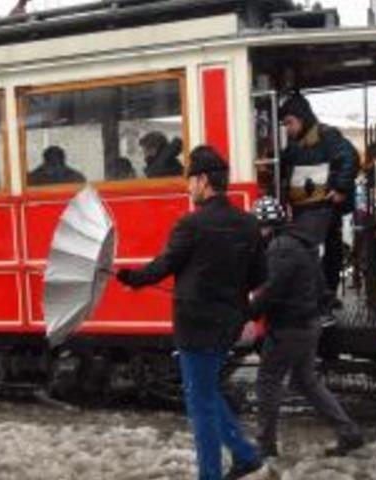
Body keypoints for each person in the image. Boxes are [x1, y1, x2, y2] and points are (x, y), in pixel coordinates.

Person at [116, 146, 267, 480]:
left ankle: (213, 473)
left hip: (196, 327)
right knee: (208, 391)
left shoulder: (191, 224)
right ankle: (245, 455)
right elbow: (259, 276)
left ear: (203, 181)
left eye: (191, 180)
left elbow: (165, 265)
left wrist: (132, 278)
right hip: (228, 323)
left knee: (200, 405)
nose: (188, 187)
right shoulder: (247, 224)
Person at [248, 196, 364, 461]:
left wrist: (251, 309)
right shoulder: (300, 243)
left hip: (289, 327)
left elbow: (273, 288)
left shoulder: (280, 247)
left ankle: (265, 446)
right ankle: (348, 432)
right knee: (305, 381)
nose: (258, 232)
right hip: (307, 324)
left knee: (267, 382)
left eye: (259, 226)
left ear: (267, 225)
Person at [278, 93, 358, 310]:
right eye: (284, 124)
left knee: (328, 254)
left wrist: (340, 189)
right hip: (304, 211)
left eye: (289, 123)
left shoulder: (327, 136)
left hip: (323, 209)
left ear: (302, 118)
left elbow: (350, 157)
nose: (287, 128)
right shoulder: (295, 145)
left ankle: (326, 298)